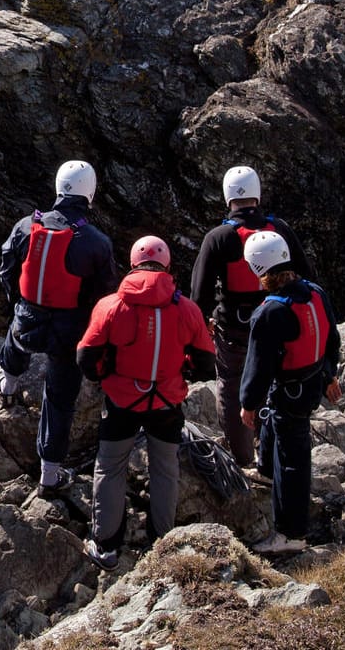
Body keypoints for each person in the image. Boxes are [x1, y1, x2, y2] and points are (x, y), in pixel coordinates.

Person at [76, 236, 217, 569]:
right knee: (165, 469)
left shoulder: (111, 305)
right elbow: (206, 364)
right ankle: (162, 544)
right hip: (167, 401)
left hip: (122, 399)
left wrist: (106, 374)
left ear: (133, 264)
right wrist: (181, 372)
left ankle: (107, 546)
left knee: (110, 468)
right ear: (167, 266)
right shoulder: (187, 309)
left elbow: (86, 356)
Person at [0, 160, 117, 495]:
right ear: (89, 193)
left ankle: (7, 382)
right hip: (69, 333)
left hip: (28, 323)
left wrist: (17, 304)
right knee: (60, 399)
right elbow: (106, 297)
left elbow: (7, 269)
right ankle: (50, 473)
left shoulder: (25, 226)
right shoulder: (96, 242)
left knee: (17, 331)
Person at [187, 165, 314, 470]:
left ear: (228, 196)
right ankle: (270, 458)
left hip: (234, 329)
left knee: (232, 389)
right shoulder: (279, 229)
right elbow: (307, 276)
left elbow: (200, 293)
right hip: (278, 325)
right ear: (256, 193)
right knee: (274, 386)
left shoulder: (219, 237)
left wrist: (194, 333)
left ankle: (243, 457)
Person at [238, 230, 342, 557]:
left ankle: (290, 534)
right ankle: (267, 472)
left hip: (290, 391)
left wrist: (247, 405)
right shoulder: (314, 292)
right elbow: (330, 339)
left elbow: (258, 366)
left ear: (258, 269)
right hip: (311, 381)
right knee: (278, 429)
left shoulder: (270, 312)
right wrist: (329, 376)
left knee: (293, 458)